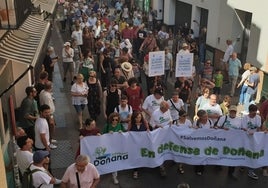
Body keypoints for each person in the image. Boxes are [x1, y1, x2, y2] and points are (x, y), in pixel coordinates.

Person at [216, 105, 242, 179]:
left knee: (232, 155)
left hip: (234, 142)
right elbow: (217, 127)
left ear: (236, 112)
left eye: (234, 111)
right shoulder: (223, 118)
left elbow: (241, 130)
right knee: (221, 153)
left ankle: (231, 172)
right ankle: (218, 165)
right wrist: (223, 128)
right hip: (223, 141)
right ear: (229, 111)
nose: (233, 112)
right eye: (231, 111)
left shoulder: (239, 120)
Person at [102, 112, 125, 184]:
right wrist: (108, 133)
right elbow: (102, 135)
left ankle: (114, 176)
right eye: (113, 120)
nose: (115, 121)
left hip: (117, 146)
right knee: (109, 159)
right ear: (111, 120)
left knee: (115, 161)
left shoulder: (120, 125)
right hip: (108, 146)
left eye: (116, 120)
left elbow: (125, 133)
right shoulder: (107, 126)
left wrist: (122, 132)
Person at [241, 104, 263, 180]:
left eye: (255, 112)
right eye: (253, 112)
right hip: (246, 138)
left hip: (254, 138)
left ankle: (251, 171)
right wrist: (248, 132)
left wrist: (259, 136)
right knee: (245, 152)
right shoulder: (245, 118)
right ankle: (243, 165)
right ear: (249, 111)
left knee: (253, 153)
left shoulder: (258, 117)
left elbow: (259, 127)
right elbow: (243, 128)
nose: (254, 114)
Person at [128, 111, 149, 178]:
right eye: (137, 118)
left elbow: (147, 129)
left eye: (140, 117)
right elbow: (128, 132)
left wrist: (148, 130)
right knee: (135, 156)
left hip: (142, 144)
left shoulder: (144, 122)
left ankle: (142, 165)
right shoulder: (131, 123)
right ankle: (135, 170)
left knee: (142, 155)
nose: (138, 119)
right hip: (134, 144)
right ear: (134, 118)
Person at [193, 109, 214, 175]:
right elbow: (192, 133)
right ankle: (197, 168)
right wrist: (194, 129)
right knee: (198, 155)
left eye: (206, 116)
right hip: (199, 143)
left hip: (207, 142)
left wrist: (214, 129)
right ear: (200, 117)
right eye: (204, 117)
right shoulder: (196, 122)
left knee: (204, 155)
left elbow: (213, 130)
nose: (206, 118)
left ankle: (202, 168)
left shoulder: (210, 121)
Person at [39, 81, 57, 148]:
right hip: (49, 115)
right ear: (50, 87)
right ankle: (49, 142)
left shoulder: (42, 92)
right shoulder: (47, 96)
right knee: (50, 128)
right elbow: (48, 108)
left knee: (50, 128)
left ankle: (51, 140)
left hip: (47, 114)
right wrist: (50, 118)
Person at [175, 110, 193, 174]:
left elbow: (191, 130)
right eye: (184, 116)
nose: (185, 117)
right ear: (180, 116)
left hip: (186, 140)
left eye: (186, 116)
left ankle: (180, 166)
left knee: (182, 153)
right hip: (177, 141)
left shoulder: (188, 122)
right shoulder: (176, 122)